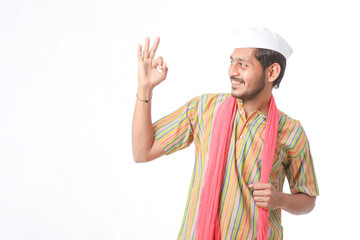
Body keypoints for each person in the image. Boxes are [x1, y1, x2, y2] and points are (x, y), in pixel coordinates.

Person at [132, 27, 319, 240]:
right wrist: (144, 88)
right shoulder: (204, 108)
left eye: (243, 64)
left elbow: (308, 199)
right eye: (231, 62)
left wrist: (280, 199)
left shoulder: (291, 131)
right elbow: (142, 151)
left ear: (271, 72)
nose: (232, 71)